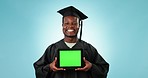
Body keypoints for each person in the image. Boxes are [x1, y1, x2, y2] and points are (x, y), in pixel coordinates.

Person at [33, 6, 109, 78]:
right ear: (62, 25)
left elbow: (103, 69)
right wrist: (49, 67)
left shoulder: (88, 48)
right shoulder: (52, 49)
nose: (70, 26)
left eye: (74, 23)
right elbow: (38, 70)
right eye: (66, 23)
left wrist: (91, 67)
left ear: (79, 26)